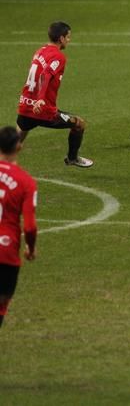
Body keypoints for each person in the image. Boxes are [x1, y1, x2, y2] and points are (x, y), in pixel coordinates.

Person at [16, 21, 93, 168]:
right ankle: (72, 158)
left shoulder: (40, 51)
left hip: (25, 105)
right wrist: (40, 100)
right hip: (43, 110)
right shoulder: (58, 56)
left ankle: (4, 163)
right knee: (79, 124)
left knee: (15, 142)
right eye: (68, 37)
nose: (69, 41)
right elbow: (45, 75)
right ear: (61, 38)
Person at [0, 125, 38, 330]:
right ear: (19, 146)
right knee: (2, 304)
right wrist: (31, 250)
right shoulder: (26, 182)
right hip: (6, 254)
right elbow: (30, 227)